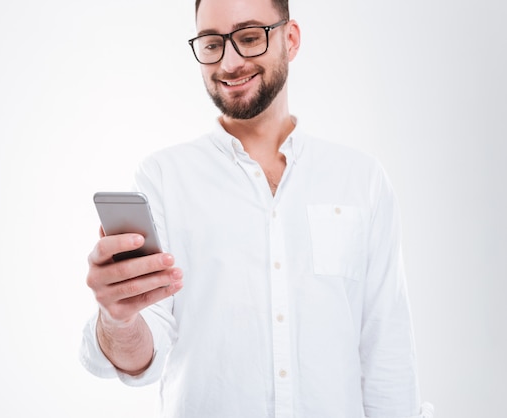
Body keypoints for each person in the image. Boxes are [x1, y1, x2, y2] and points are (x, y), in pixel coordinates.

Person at [80, 0, 433, 417]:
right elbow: (142, 356)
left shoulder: (362, 180)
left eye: (249, 38)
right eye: (212, 44)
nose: (229, 62)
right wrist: (116, 318)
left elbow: (386, 355)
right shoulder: (163, 177)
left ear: (291, 38)